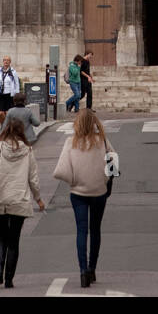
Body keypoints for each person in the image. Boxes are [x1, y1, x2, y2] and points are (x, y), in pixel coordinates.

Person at [0, 118, 45, 288]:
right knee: (14, 241)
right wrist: (38, 198)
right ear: (21, 131)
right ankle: (9, 279)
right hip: (19, 199)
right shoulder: (28, 151)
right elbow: (33, 178)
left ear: (6, 129)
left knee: (1, 237)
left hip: (0, 199)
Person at [53, 108, 111, 288]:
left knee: (81, 231)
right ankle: (92, 268)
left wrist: (74, 180)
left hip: (78, 192)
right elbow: (114, 163)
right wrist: (107, 184)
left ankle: (82, 270)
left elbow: (62, 169)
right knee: (95, 230)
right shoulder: (102, 141)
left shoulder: (71, 142)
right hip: (99, 191)